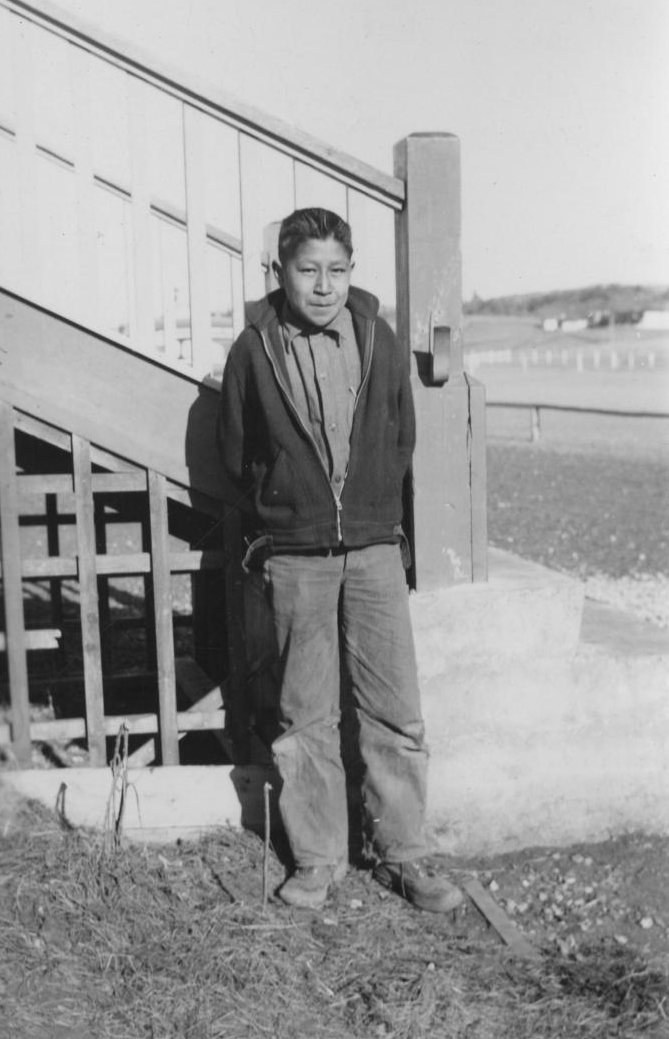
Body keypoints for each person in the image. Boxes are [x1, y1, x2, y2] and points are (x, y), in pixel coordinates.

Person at [216, 207, 463, 913]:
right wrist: (284, 508)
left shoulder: (378, 339)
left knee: (396, 712)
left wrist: (372, 513)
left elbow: (400, 436)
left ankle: (406, 853)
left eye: (336, 269)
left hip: (376, 552)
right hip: (296, 558)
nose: (323, 285)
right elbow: (237, 454)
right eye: (307, 269)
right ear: (281, 272)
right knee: (305, 717)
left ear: (350, 271)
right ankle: (318, 860)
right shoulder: (254, 349)